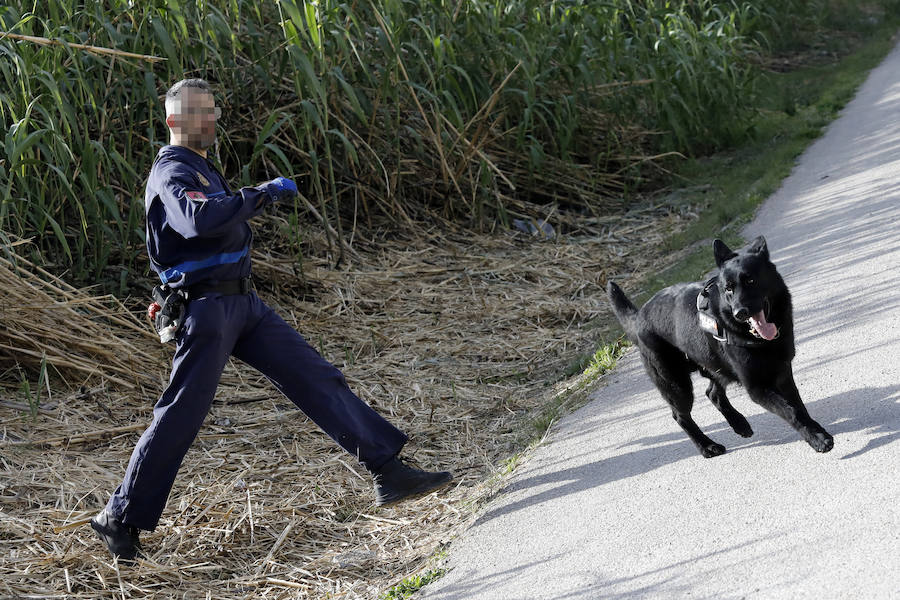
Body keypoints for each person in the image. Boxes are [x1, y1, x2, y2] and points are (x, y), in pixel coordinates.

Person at [91, 78, 453, 560]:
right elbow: (197, 221)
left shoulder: (201, 167)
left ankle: (389, 471)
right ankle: (119, 515)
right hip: (206, 310)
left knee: (315, 376)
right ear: (174, 121)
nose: (211, 119)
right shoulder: (172, 171)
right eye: (200, 112)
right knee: (181, 415)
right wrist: (259, 194)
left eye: (214, 110)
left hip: (243, 305)